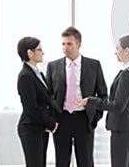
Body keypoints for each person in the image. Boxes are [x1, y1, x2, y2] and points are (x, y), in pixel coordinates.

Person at [76, 35, 129, 167]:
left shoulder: (127, 74)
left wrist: (91, 101)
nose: (116, 52)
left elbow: (118, 106)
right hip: (127, 128)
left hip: (122, 128)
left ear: (127, 51)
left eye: (118, 49)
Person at [46, 26, 108, 167]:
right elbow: (48, 96)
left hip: (84, 120)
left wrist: (94, 117)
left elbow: (103, 95)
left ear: (79, 44)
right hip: (62, 119)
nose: (65, 47)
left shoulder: (94, 65)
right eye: (63, 44)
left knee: (85, 162)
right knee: (61, 162)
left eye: (69, 44)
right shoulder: (53, 66)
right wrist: (52, 119)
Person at [16, 36, 61, 167]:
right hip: (30, 129)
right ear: (30, 53)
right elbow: (31, 107)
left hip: (40, 127)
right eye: (40, 49)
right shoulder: (25, 76)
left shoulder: (38, 73)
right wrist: (50, 123)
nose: (43, 52)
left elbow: (46, 99)